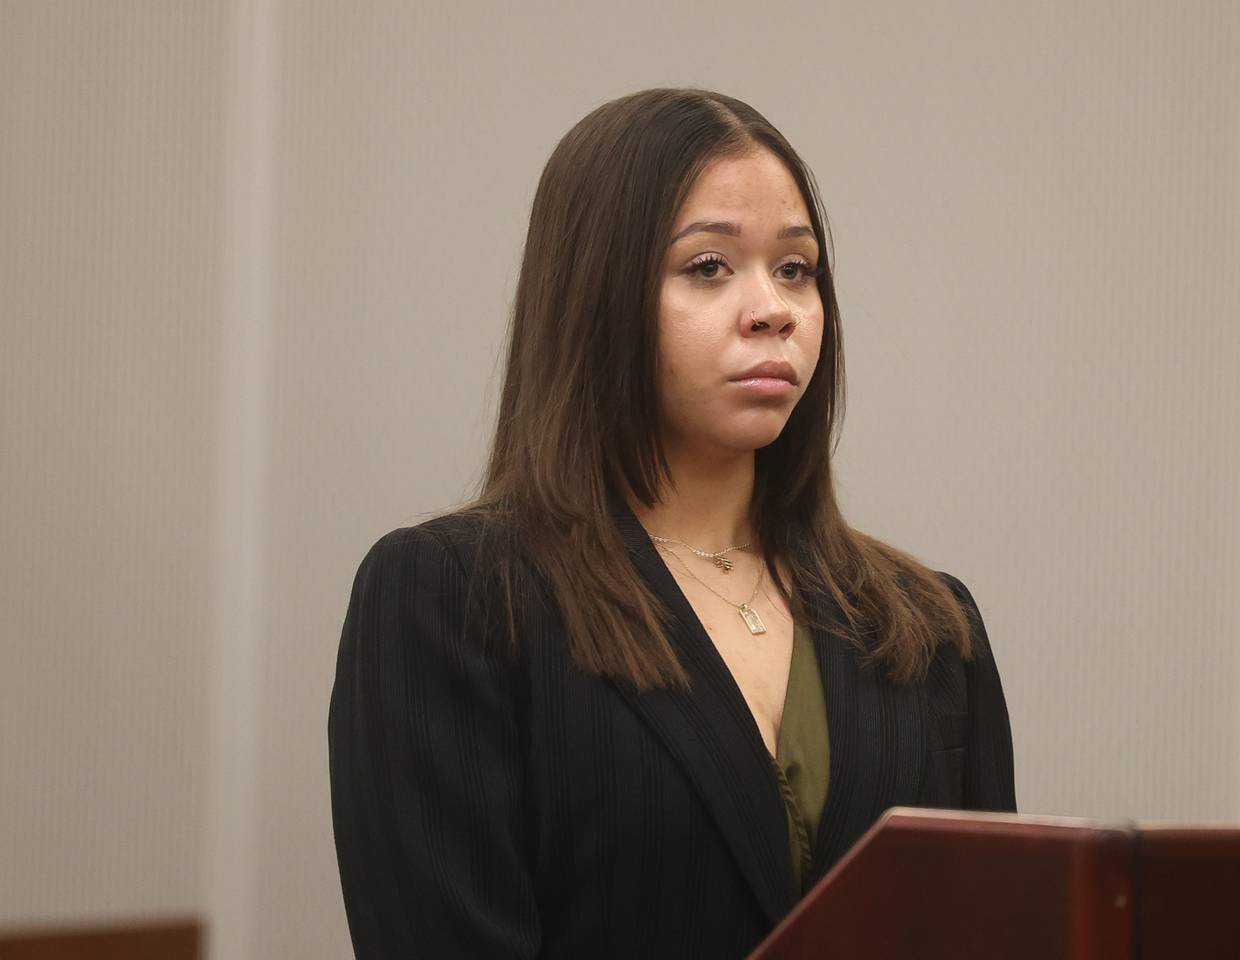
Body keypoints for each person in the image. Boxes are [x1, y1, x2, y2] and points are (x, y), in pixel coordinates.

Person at [327, 86, 1016, 960]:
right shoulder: (450, 598)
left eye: (796, 268)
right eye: (708, 268)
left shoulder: (928, 626)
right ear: (595, 297)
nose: (774, 309)